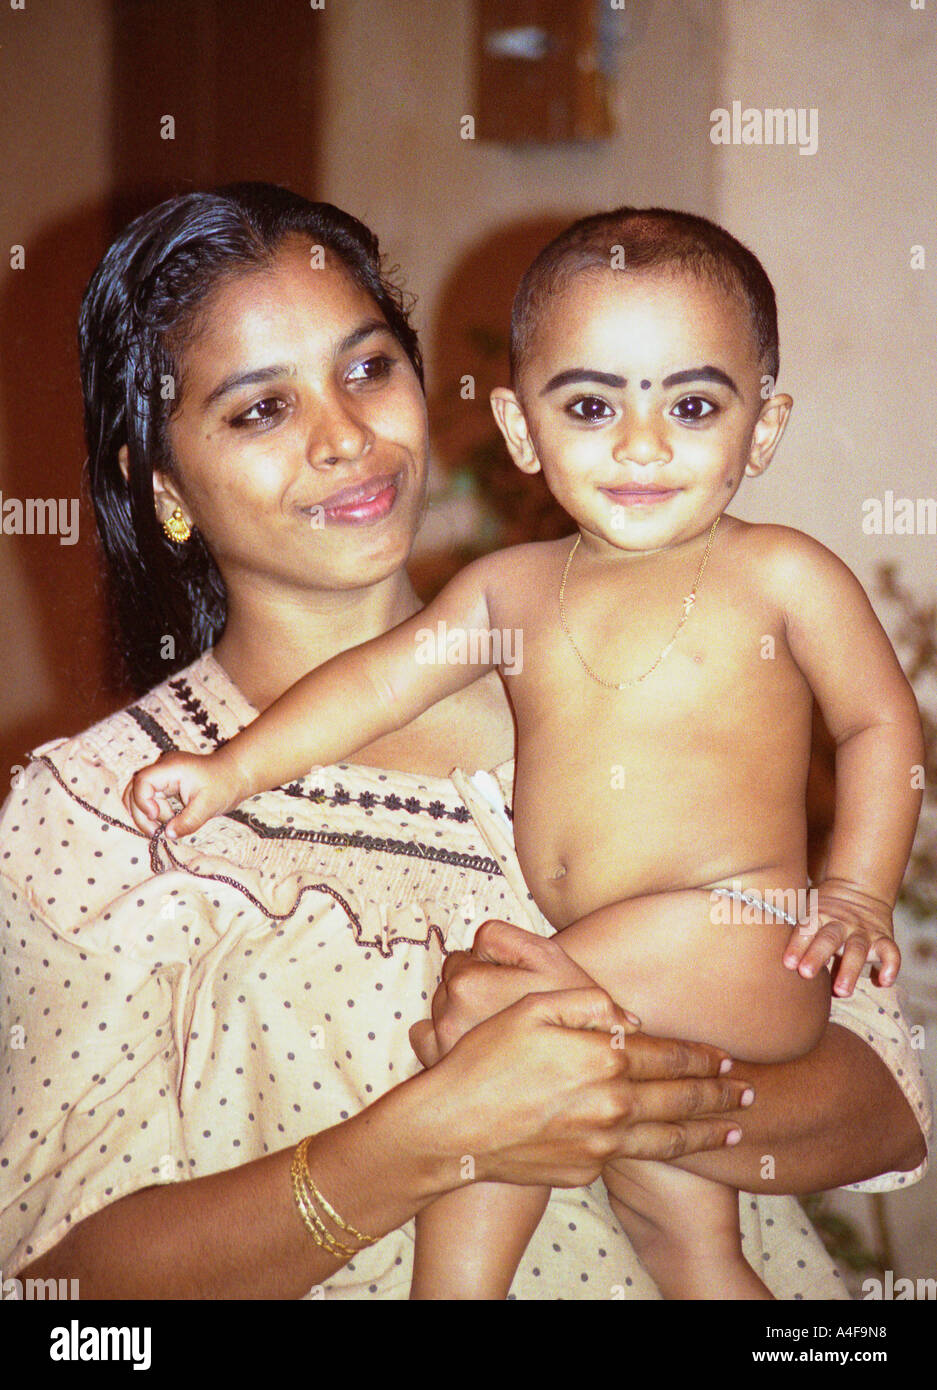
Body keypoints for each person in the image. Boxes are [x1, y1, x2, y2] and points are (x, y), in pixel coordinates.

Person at [0, 187, 929, 1301]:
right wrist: (423, 1140)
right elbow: (62, 1304)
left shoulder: (650, 678)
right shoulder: (101, 811)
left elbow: (878, 1101)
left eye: (366, 368)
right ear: (162, 486)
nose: (344, 437)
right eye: (260, 410)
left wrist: (603, 1098)